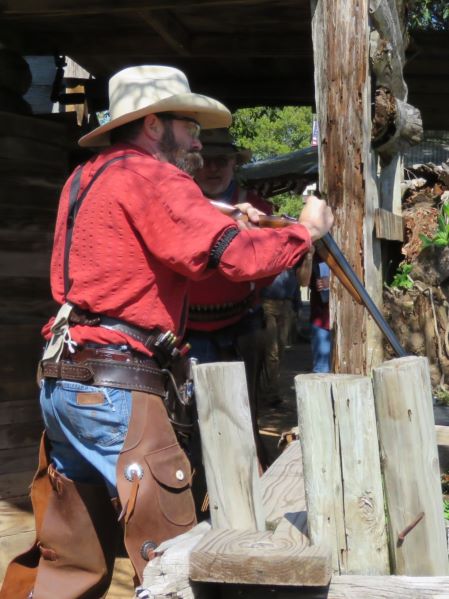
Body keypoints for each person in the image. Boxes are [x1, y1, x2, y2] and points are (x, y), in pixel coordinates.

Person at [0, 65, 333, 599]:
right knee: (176, 563)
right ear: (154, 124)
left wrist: (223, 220)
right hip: (114, 386)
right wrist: (305, 230)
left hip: (66, 380)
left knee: (70, 562)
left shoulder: (86, 176)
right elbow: (238, 259)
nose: (199, 141)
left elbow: (159, 245)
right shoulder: (152, 176)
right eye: (190, 125)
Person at [187, 128, 273, 468]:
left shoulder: (259, 209)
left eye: (221, 161)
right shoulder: (179, 204)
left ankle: (246, 476)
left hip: (242, 327)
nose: (213, 168)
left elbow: (270, 265)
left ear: (234, 164)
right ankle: (198, 481)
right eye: (205, 161)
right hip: (188, 331)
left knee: (243, 410)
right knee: (193, 413)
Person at [259, 268, 299, 406]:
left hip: (286, 304)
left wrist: (296, 306)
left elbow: (296, 279)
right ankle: (271, 392)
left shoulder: (289, 260)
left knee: (280, 350)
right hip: (267, 303)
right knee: (272, 352)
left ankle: (272, 387)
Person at [297, 247, 332, 373]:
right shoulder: (312, 252)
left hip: (346, 322)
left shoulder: (344, 248)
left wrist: (332, 282)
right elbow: (303, 282)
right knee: (322, 370)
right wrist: (309, 257)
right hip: (321, 320)